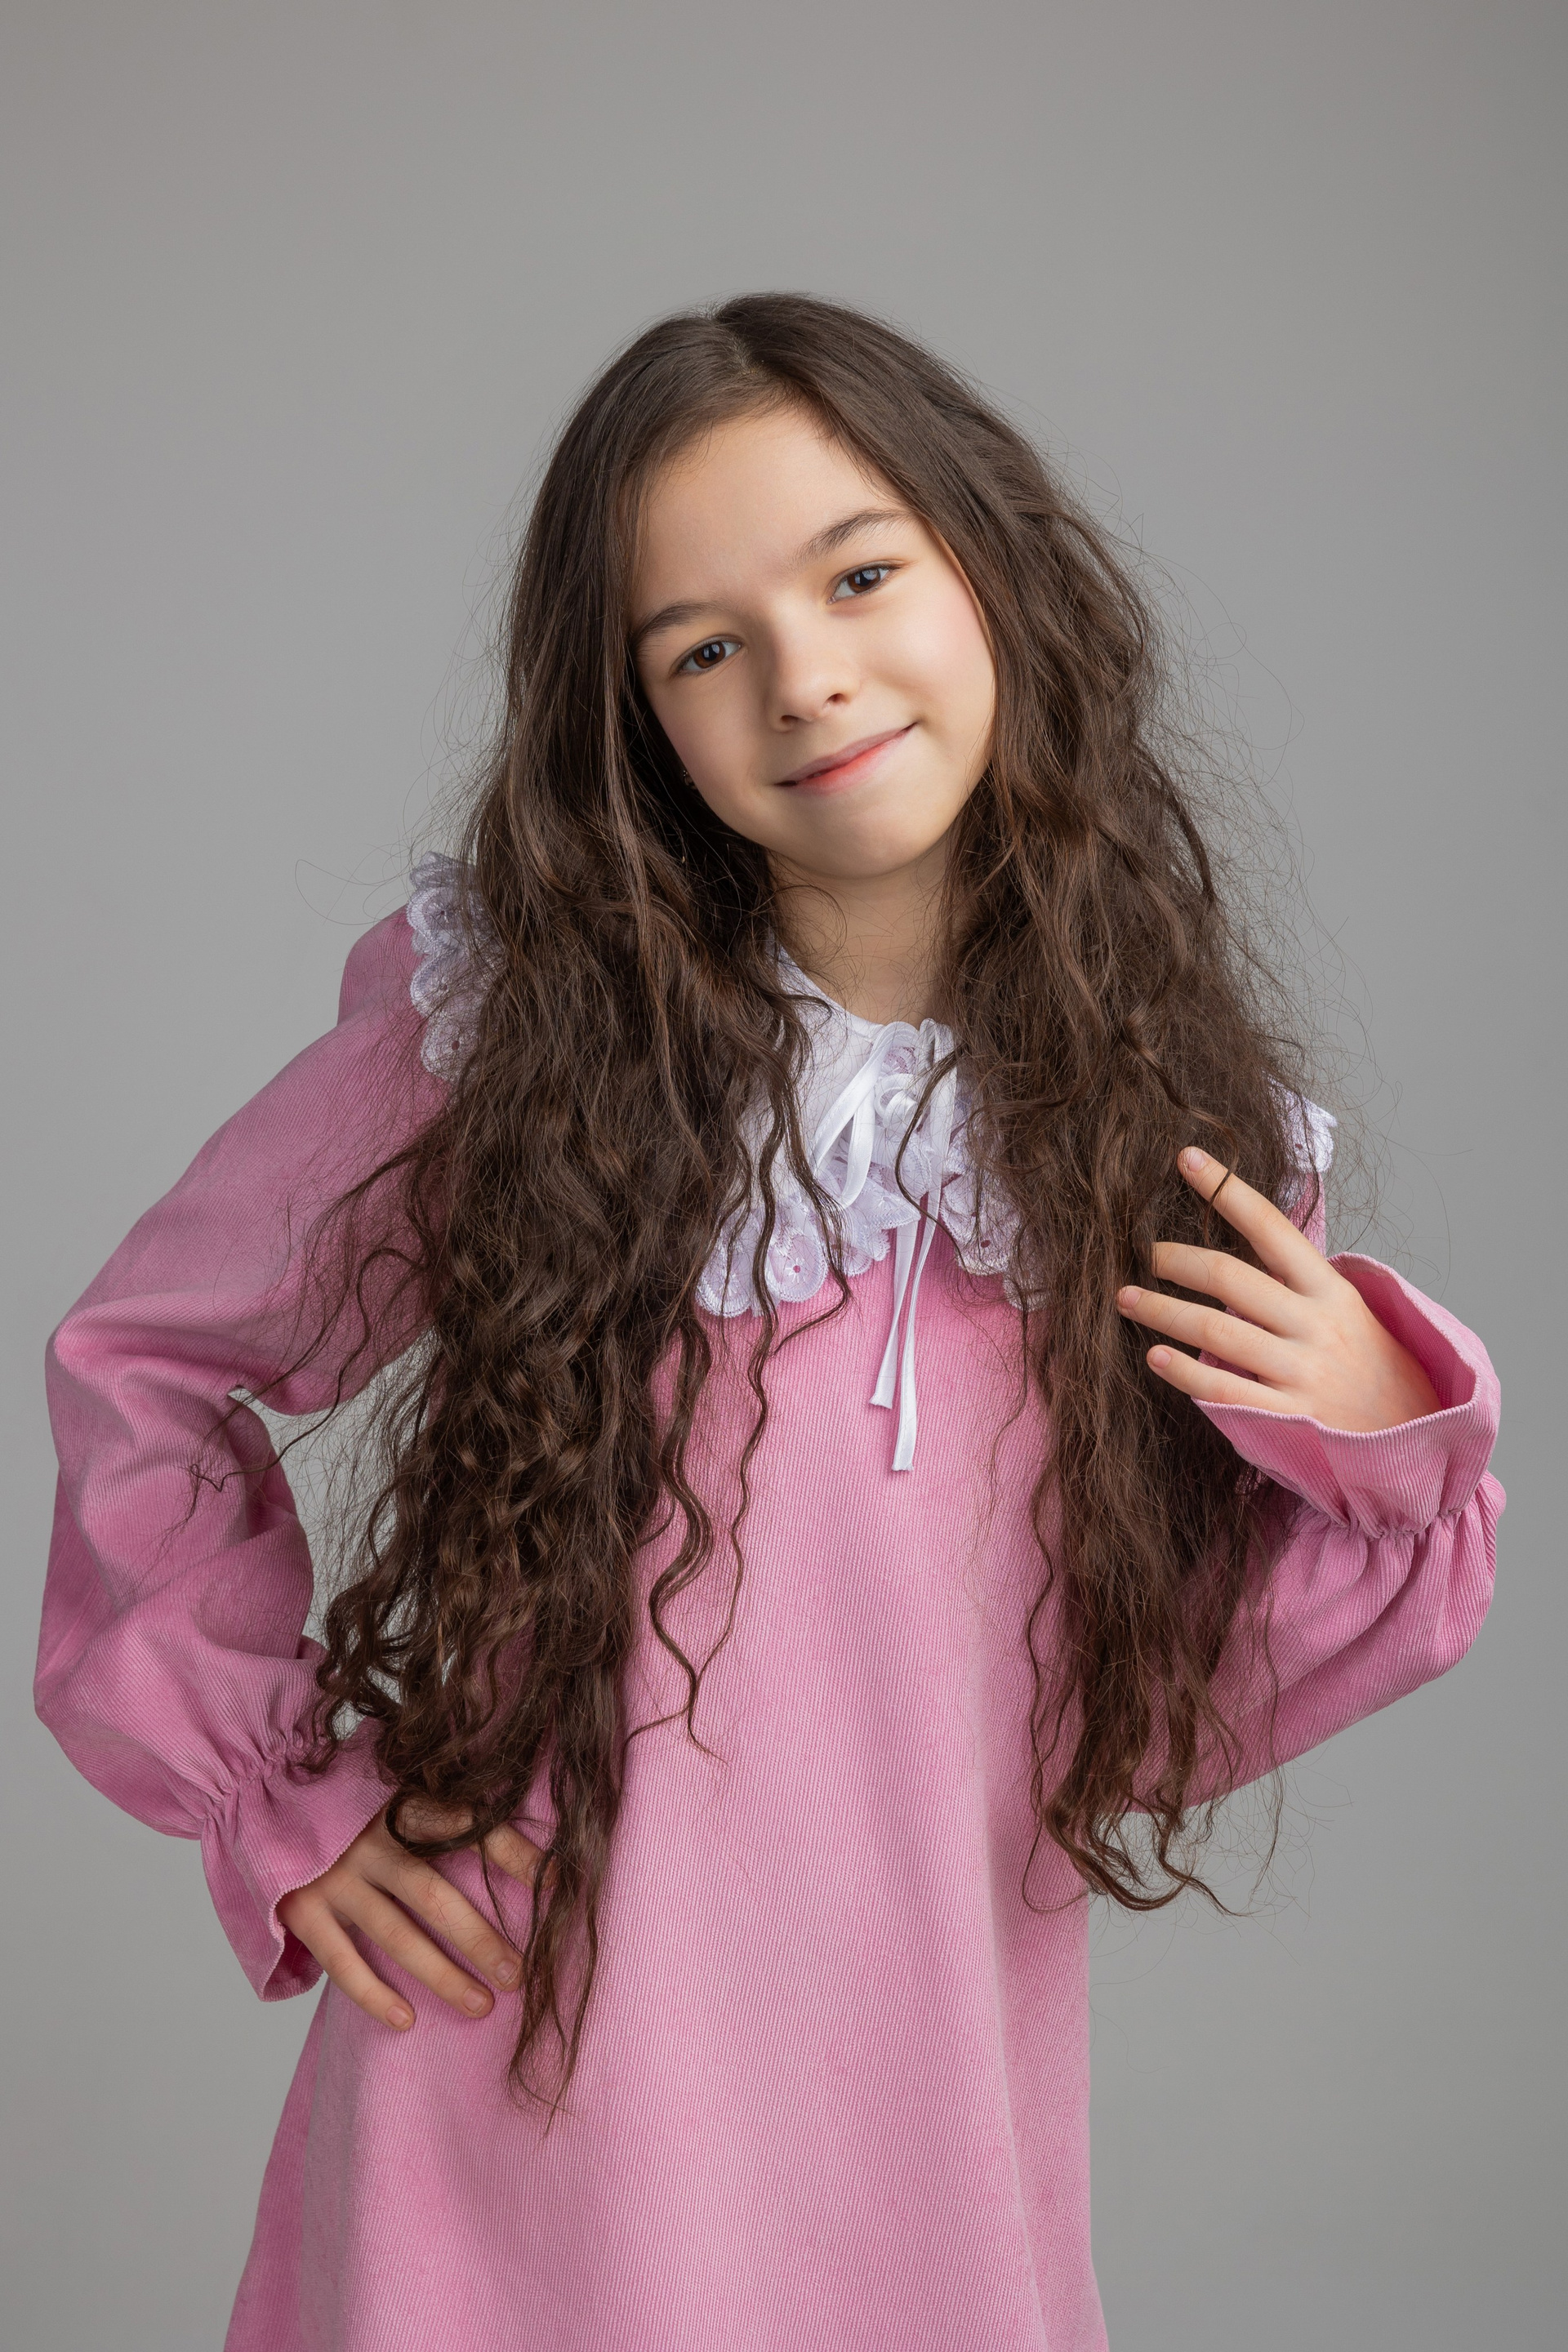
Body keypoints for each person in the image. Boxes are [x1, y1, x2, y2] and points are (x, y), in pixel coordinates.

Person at [36, 294, 1502, 2352]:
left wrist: (1383, 1438)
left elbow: (1153, 1718)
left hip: (928, 2144)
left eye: (860, 575)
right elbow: (144, 1360)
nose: (805, 675)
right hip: (510, 2115)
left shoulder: (1168, 1143)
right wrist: (280, 1796)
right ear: (635, 724)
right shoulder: (515, 1043)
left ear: (994, 568)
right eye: (702, 650)